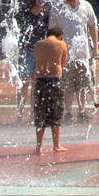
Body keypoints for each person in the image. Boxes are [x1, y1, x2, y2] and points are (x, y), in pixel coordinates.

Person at [50, 0, 99, 121]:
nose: (70, 3)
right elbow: (52, 31)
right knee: (67, 84)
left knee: (82, 84)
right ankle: (68, 112)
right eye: (68, 0)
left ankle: (82, 110)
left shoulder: (86, 6)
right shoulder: (58, 8)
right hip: (65, 54)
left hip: (83, 53)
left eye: (73, 0)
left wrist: (96, 47)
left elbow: (92, 26)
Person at [16, 0, 49, 121]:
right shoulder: (24, 13)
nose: (41, 1)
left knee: (36, 84)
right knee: (23, 83)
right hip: (26, 50)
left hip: (40, 52)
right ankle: (19, 113)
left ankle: (33, 113)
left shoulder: (45, 16)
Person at [33, 26, 67, 154]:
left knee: (40, 114)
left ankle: (38, 146)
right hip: (54, 81)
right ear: (60, 36)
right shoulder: (61, 44)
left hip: (40, 81)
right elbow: (62, 64)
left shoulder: (38, 44)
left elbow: (37, 62)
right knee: (56, 113)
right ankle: (56, 145)